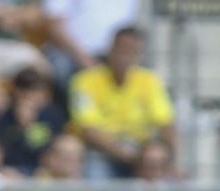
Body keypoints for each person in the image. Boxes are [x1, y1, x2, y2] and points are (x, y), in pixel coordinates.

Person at [69, 27, 174, 181]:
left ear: (139, 54)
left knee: (162, 173)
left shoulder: (150, 81)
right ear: (110, 50)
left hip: (141, 152)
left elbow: (165, 123)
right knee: (96, 176)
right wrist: (129, 156)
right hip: (100, 151)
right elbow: (89, 130)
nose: (125, 55)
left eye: (132, 50)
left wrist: (170, 161)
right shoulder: (85, 81)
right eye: (122, 49)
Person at [0, 66, 64, 176]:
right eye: (26, 93)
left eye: (37, 92)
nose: (32, 98)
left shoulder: (53, 116)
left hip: (43, 169)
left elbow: (55, 145)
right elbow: (2, 151)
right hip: (12, 169)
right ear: (17, 93)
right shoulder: (3, 117)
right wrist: (21, 127)